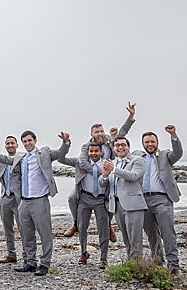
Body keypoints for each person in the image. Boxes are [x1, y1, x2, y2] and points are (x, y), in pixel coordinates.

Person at [0, 131, 70, 277]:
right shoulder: (21, 157)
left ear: (35, 140)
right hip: (24, 201)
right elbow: (7, 160)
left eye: (29, 141)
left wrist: (65, 142)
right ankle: (30, 262)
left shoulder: (44, 152)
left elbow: (59, 153)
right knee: (27, 233)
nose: (27, 144)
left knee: (44, 233)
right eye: (24, 141)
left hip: (40, 199)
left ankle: (45, 263)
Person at [64, 103, 135, 239]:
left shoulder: (110, 140)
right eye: (97, 132)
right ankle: (75, 224)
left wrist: (131, 115)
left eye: (102, 131)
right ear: (92, 134)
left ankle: (108, 226)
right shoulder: (86, 146)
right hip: (90, 177)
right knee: (72, 197)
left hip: (109, 178)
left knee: (111, 198)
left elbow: (123, 132)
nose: (100, 134)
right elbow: (83, 163)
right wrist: (101, 171)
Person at [58, 140, 111, 268]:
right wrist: (65, 143)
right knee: (82, 228)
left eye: (96, 151)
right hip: (84, 199)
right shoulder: (80, 162)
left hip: (100, 200)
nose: (93, 153)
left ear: (101, 152)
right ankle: (83, 253)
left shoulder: (106, 165)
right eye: (91, 151)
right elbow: (60, 159)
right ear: (87, 152)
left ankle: (103, 258)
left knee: (103, 230)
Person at [139, 126, 184, 278]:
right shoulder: (138, 157)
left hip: (162, 198)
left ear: (157, 142)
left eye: (152, 141)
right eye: (147, 142)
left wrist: (173, 135)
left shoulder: (165, 155)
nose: (150, 144)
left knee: (167, 232)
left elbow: (178, 153)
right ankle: (157, 260)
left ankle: (173, 266)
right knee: (151, 234)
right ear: (143, 144)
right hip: (143, 200)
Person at [101, 137, 147, 262]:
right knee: (126, 238)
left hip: (133, 204)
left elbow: (134, 176)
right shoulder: (113, 162)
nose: (120, 147)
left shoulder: (138, 160)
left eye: (123, 145)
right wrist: (105, 175)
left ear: (128, 147)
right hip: (116, 205)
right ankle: (130, 263)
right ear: (114, 148)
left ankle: (137, 266)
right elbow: (102, 183)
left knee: (135, 238)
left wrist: (114, 170)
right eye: (117, 145)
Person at [0, 135, 23, 264]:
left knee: (23, 227)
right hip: (5, 197)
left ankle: (27, 256)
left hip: (18, 198)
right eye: (7, 143)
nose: (10, 145)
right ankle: (11, 254)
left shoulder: (21, 159)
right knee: (7, 228)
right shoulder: (1, 160)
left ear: (17, 145)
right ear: (5, 146)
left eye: (12, 143)